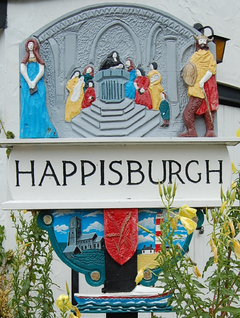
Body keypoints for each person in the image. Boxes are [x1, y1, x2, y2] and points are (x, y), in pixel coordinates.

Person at [180, 34, 219, 137]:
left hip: (202, 87)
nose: (202, 42)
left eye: (203, 40)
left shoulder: (209, 56)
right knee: (193, 111)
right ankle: (192, 131)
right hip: (195, 86)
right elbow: (190, 69)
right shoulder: (195, 55)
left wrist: (203, 81)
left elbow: (211, 70)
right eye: (200, 40)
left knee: (190, 112)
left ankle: (194, 132)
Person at [20, 38, 58, 138]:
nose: (31, 46)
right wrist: (29, 82)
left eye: (32, 44)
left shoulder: (38, 59)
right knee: (28, 107)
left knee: (40, 105)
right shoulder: (26, 59)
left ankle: (44, 130)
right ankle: (28, 131)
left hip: (38, 86)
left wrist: (34, 82)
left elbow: (41, 71)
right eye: (29, 45)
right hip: (28, 87)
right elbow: (23, 70)